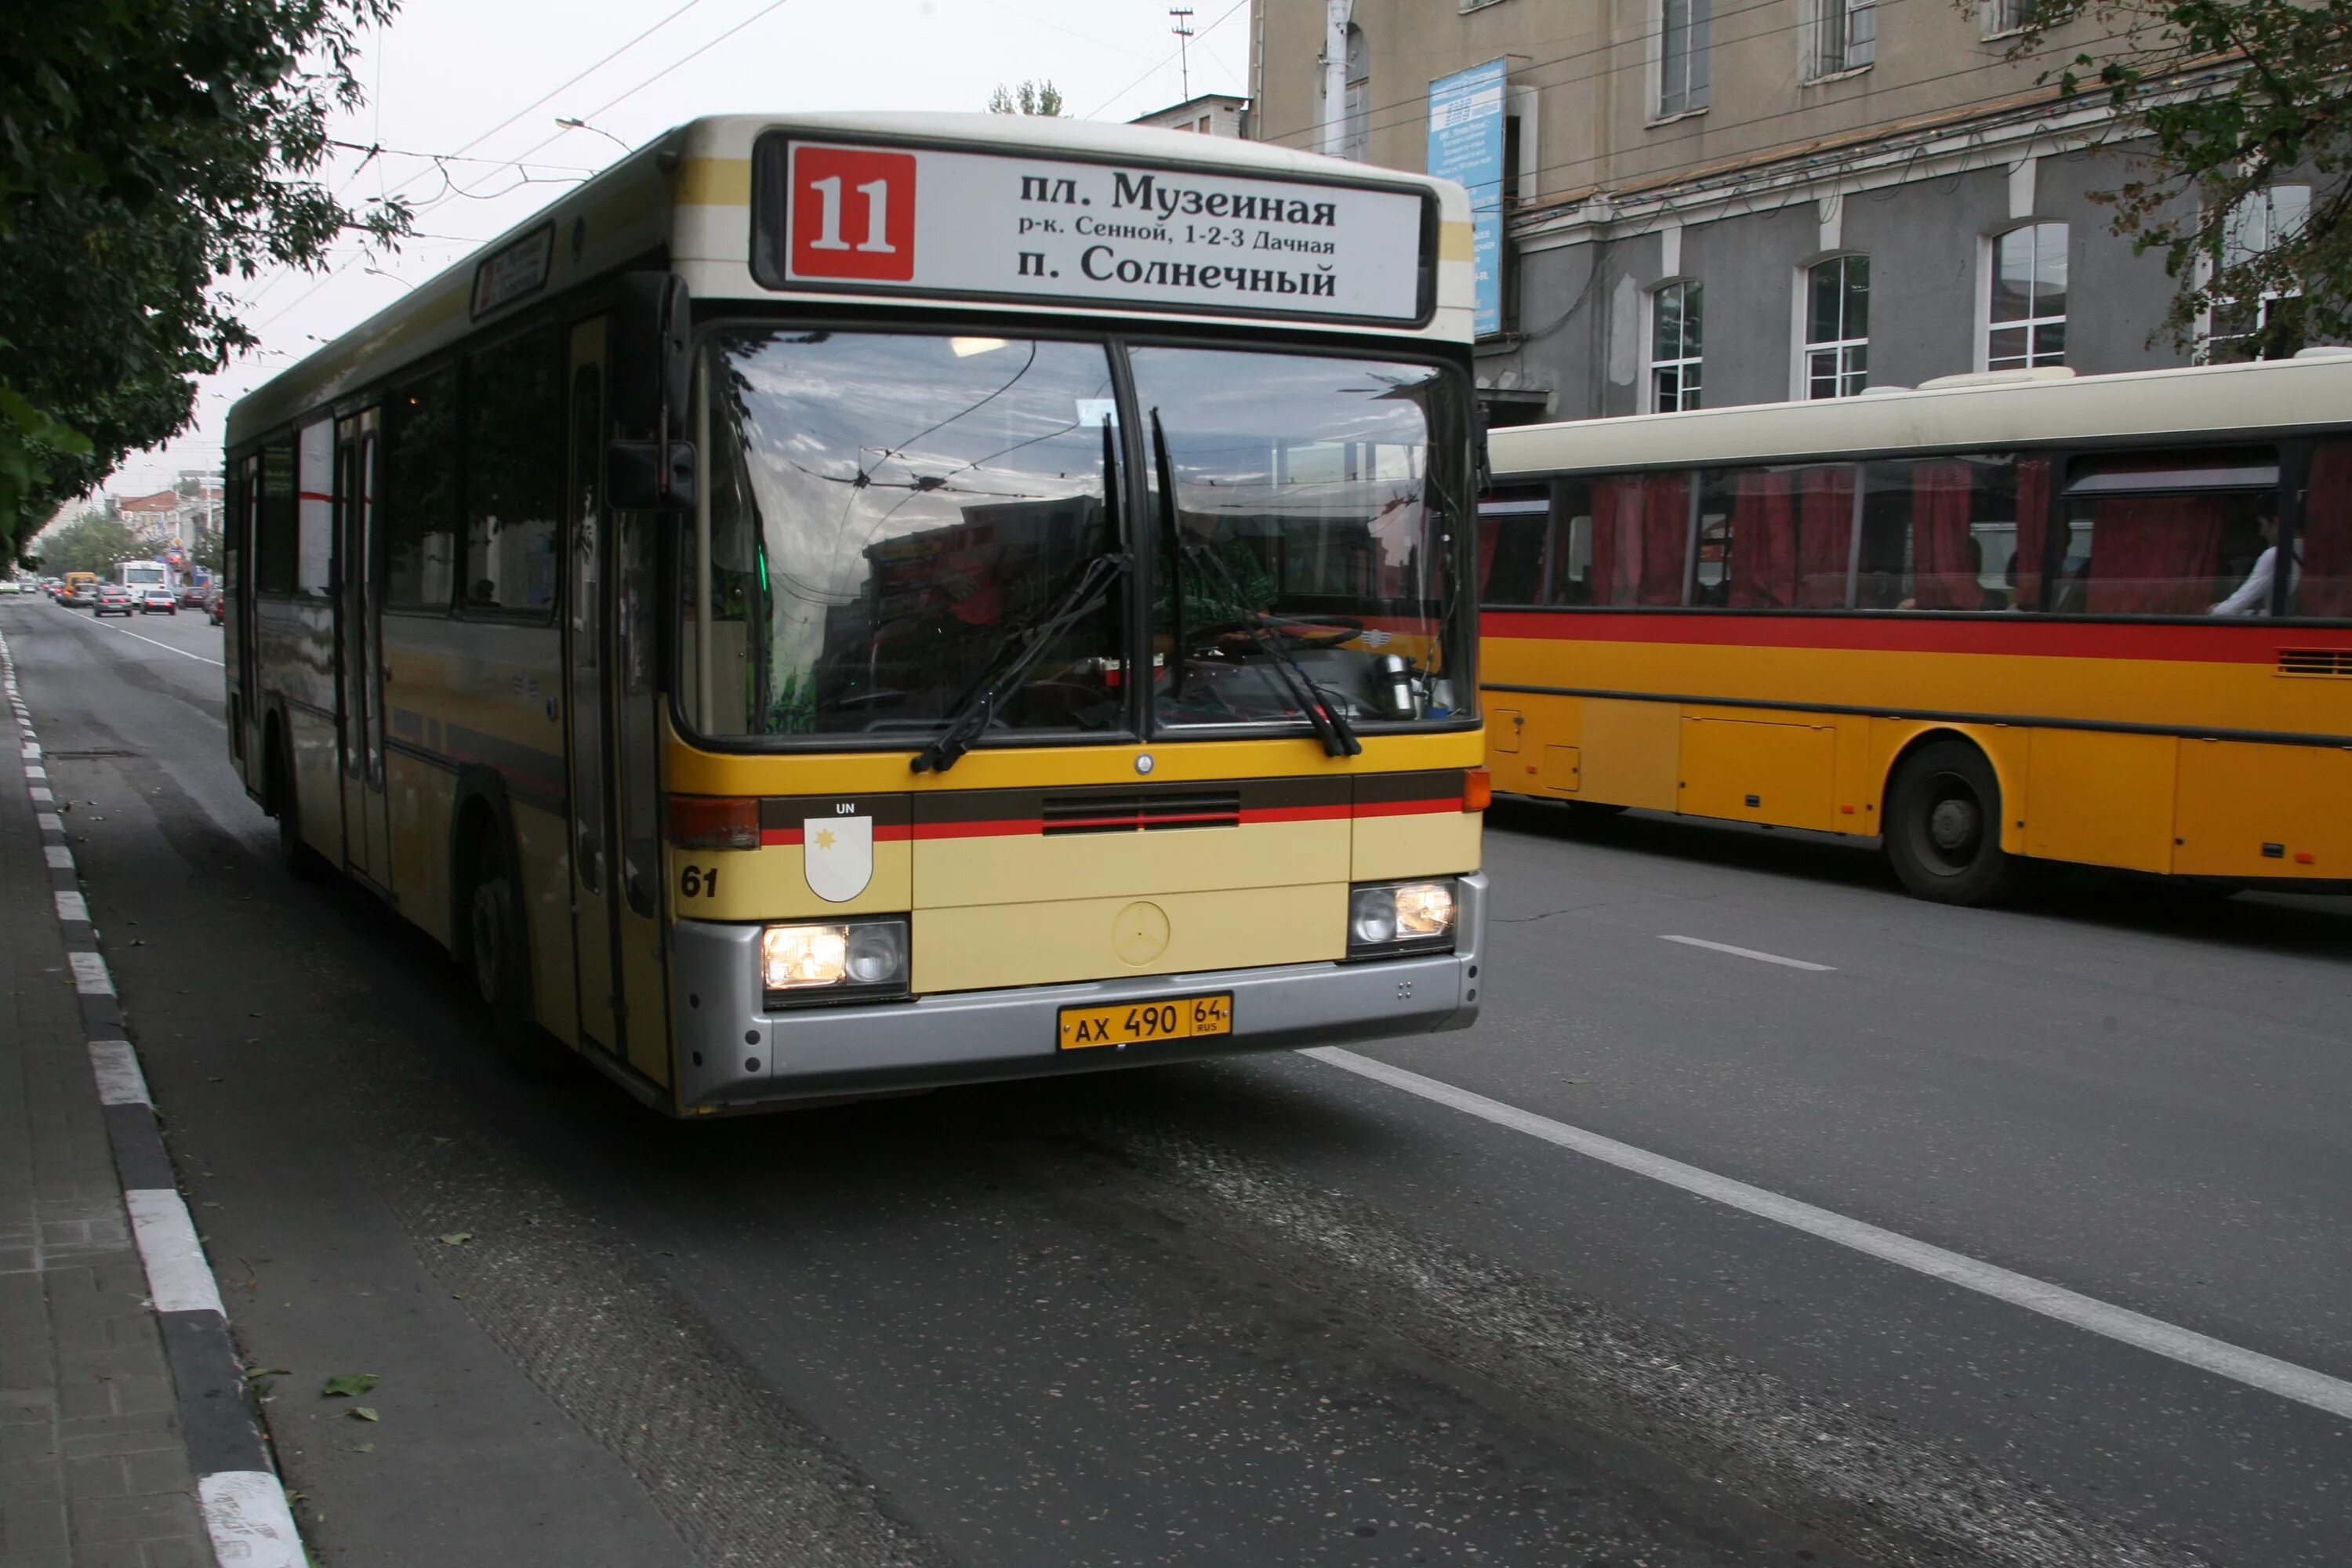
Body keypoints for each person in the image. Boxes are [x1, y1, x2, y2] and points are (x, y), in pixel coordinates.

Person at [2211, 513, 2298, 615]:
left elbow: (2234, 607)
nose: (2262, 533)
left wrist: (2215, 610)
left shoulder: (2274, 555)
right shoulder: (2308, 552)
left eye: (2262, 525)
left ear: (2276, 522)